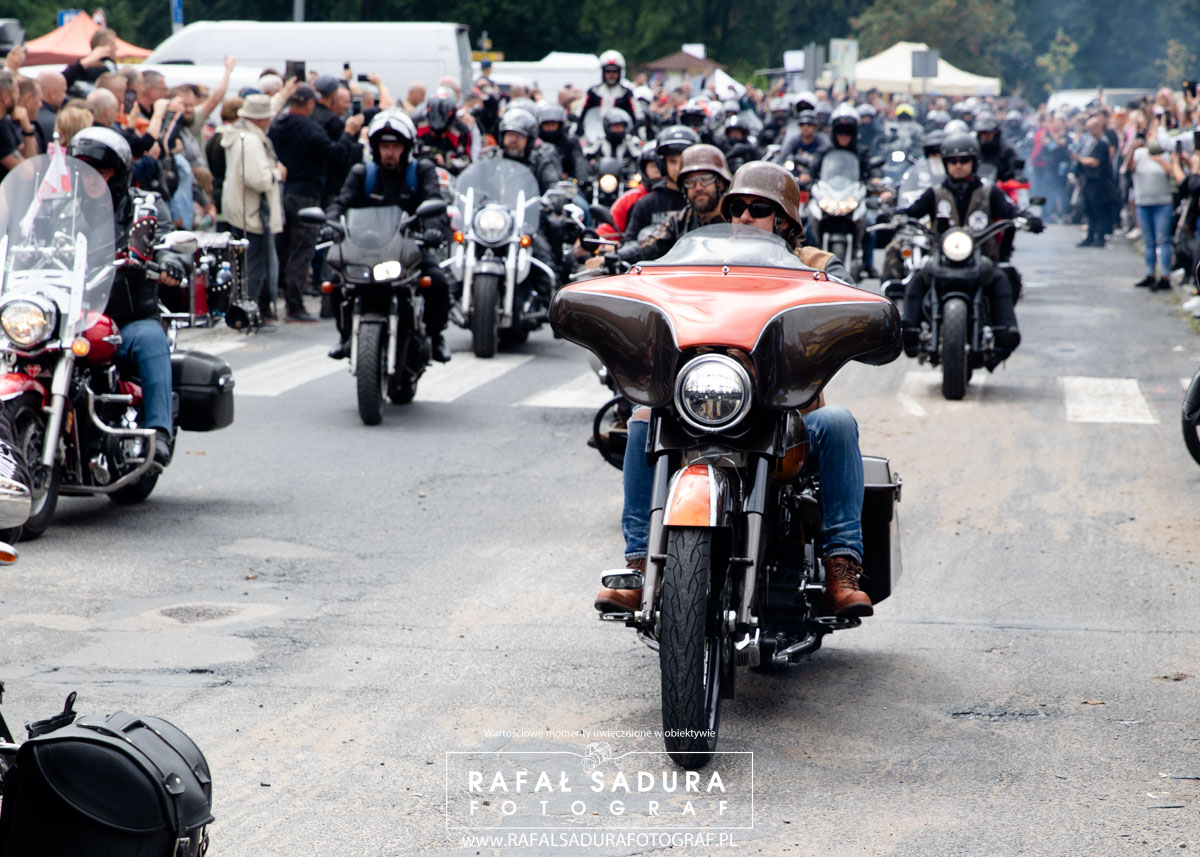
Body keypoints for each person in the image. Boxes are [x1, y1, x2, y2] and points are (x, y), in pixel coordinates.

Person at [594, 159, 869, 617]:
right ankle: (639, 565)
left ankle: (842, 566)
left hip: (787, 416)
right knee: (642, 421)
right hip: (703, 404)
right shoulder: (697, 260)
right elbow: (652, 282)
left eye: (759, 208)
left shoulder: (815, 265)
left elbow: (851, 298)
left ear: (784, 220)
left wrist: (849, 308)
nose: (744, 217)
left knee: (839, 422)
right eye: (737, 207)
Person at [67, 128, 189, 466]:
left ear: (119, 174)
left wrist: (170, 262)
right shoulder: (59, 208)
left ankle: (159, 432)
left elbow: (166, 240)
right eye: (84, 171)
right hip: (70, 320)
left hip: (127, 318)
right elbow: (24, 237)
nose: (91, 179)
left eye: (101, 172)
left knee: (152, 341)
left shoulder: (144, 206)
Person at [894, 132, 1042, 363]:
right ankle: (909, 330)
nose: (959, 165)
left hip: (980, 258)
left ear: (974, 162)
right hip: (942, 258)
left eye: (964, 160)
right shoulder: (935, 193)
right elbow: (912, 210)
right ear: (946, 164)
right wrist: (895, 215)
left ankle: (1006, 330)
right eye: (953, 161)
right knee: (918, 278)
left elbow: (1010, 210)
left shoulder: (989, 191)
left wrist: (1027, 218)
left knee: (1002, 278)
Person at [325, 111, 453, 362]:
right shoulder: (363, 173)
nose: (390, 153)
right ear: (376, 148)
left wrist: (433, 229)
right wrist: (330, 224)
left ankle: (436, 335)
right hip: (365, 249)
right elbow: (340, 203)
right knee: (336, 282)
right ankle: (345, 335)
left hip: (410, 247)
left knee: (438, 282)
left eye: (395, 147)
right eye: (385, 147)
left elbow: (434, 201)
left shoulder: (421, 171)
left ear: (406, 148)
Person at [269, 84, 366, 322]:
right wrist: (349, 133)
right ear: (309, 104)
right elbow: (336, 154)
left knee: (280, 249)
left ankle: (269, 304)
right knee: (302, 251)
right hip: (307, 194)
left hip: (283, 192)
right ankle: (294, 306)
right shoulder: (310, 128)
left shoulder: (278, 125)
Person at [219, 94, 285, 321]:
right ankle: (250, 312)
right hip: (253, 213)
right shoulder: (252, 141)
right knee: (254, 266)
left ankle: (248, 310)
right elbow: (258, 179)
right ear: (262, 119)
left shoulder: (238, 135)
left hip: (242, 209)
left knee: (245, 265)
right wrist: (277, 174)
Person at [622, 125, 698, 242]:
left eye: (683, 161)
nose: (678, 168)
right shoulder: (646, 204)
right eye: (672, 162)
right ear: (662, 164)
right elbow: (631, 244)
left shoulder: (703, 200)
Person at [1125, 125, 1174, 290]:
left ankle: (1165, 276)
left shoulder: (1166, 154)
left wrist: (1158, 159)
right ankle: (1150, 273)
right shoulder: (1139, 154)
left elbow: (1171, 173)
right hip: (1143, 202)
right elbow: (1128, 168)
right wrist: (1132, 149)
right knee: (1148, 241)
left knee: (1163, 240)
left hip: (1162, 202)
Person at [1071, 116, 1114, 247]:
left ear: (1097, 128)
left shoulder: (1102, 143)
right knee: (1089, 210)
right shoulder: (1091, 142)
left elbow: (1095, 162)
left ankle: (1100, 237)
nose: (1089, 132)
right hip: (1089, 181)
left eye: (1090, 129)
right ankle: (1090, 236)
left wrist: (1079, 159)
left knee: (1098, 210)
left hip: (1099, 182)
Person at [415, 95, 472, 174]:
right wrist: (427, 155)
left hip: (450, 174)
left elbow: (466, 160)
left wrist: (446, 164)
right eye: (433, 131)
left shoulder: (461, 131)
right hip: (421, 170)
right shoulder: (418, 124)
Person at [773, 109, 830, 185]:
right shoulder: (793, 141)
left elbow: (824, 162)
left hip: (816, 180)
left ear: (815, 126)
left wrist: (809, 173)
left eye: (809, 124)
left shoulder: (822, 141)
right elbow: (782, 157)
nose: (805, 127)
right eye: (802, 124)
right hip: (795, 178)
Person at [537, 103, 587, 183]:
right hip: (540, 185)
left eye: (553, 124)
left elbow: (579, 161)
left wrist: (582, 180)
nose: (550, 128)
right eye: (546, 124)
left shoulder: (570, 142)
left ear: (560, 125)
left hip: (566, 184)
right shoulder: (536, 143)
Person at [581, 50, 636, 118]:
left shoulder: (626, 93)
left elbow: (636, 113)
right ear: (602, 72)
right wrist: (575, 117)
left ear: (620, 73)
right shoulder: (593, 92)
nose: (611, 75)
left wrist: (639, 120)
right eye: (608, 71)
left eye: (615, 72)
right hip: (596, 124)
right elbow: (581, 110)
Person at [975, 112, 1018, 182]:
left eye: (989, 133)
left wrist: (1017, 175)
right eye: (983, 133)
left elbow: (1013, 172)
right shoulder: (974, 151)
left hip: (1000, 186)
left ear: (996, 133)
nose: (985, 136)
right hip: (977, 186)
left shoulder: (1006, 152)